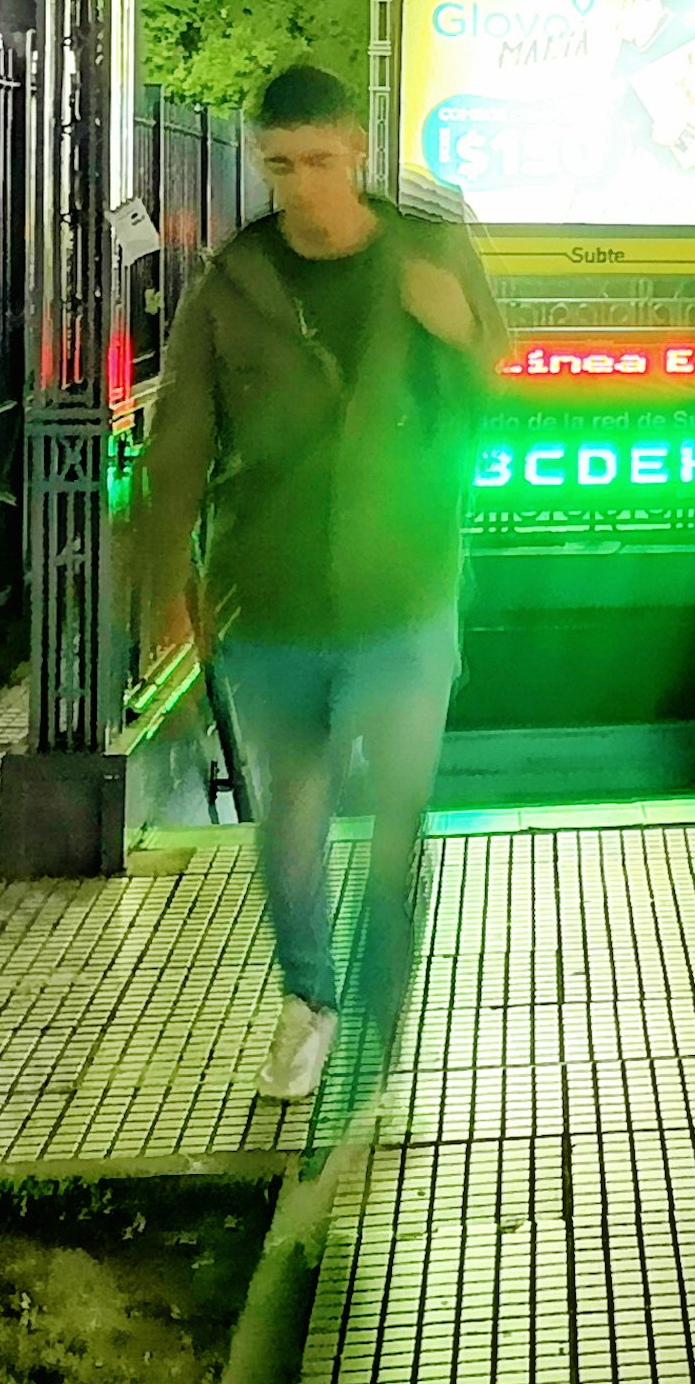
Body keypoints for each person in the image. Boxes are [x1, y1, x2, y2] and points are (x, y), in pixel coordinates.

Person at [140, 64, 506, 1109]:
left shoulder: (429, 258)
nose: (299, 186)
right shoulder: (233, 284)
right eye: (278, 165)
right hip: (273, 596)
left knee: (399, 824)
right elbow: (180, 445)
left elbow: (498, 401)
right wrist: (167, 588)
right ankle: (311, 1001)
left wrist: (461, 335)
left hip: (406, 592)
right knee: (292, 827)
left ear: (355, 148)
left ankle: (381, 1033)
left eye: (317, 161)